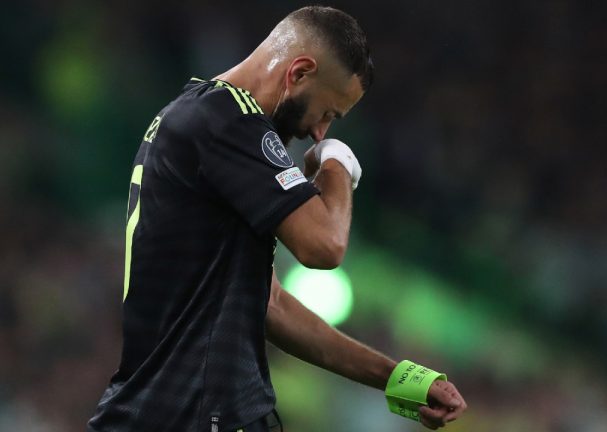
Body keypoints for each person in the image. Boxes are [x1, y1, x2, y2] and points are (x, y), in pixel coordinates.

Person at [88, 6, 467, 432]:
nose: (320, 133)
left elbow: (273, 306)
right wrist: (337, 164)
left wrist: (400, 380)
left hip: (175, 412)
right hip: (196, 413)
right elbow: (325, 246)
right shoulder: (227, 121)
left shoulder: (203, 118)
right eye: (328, 113)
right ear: (299, 72)